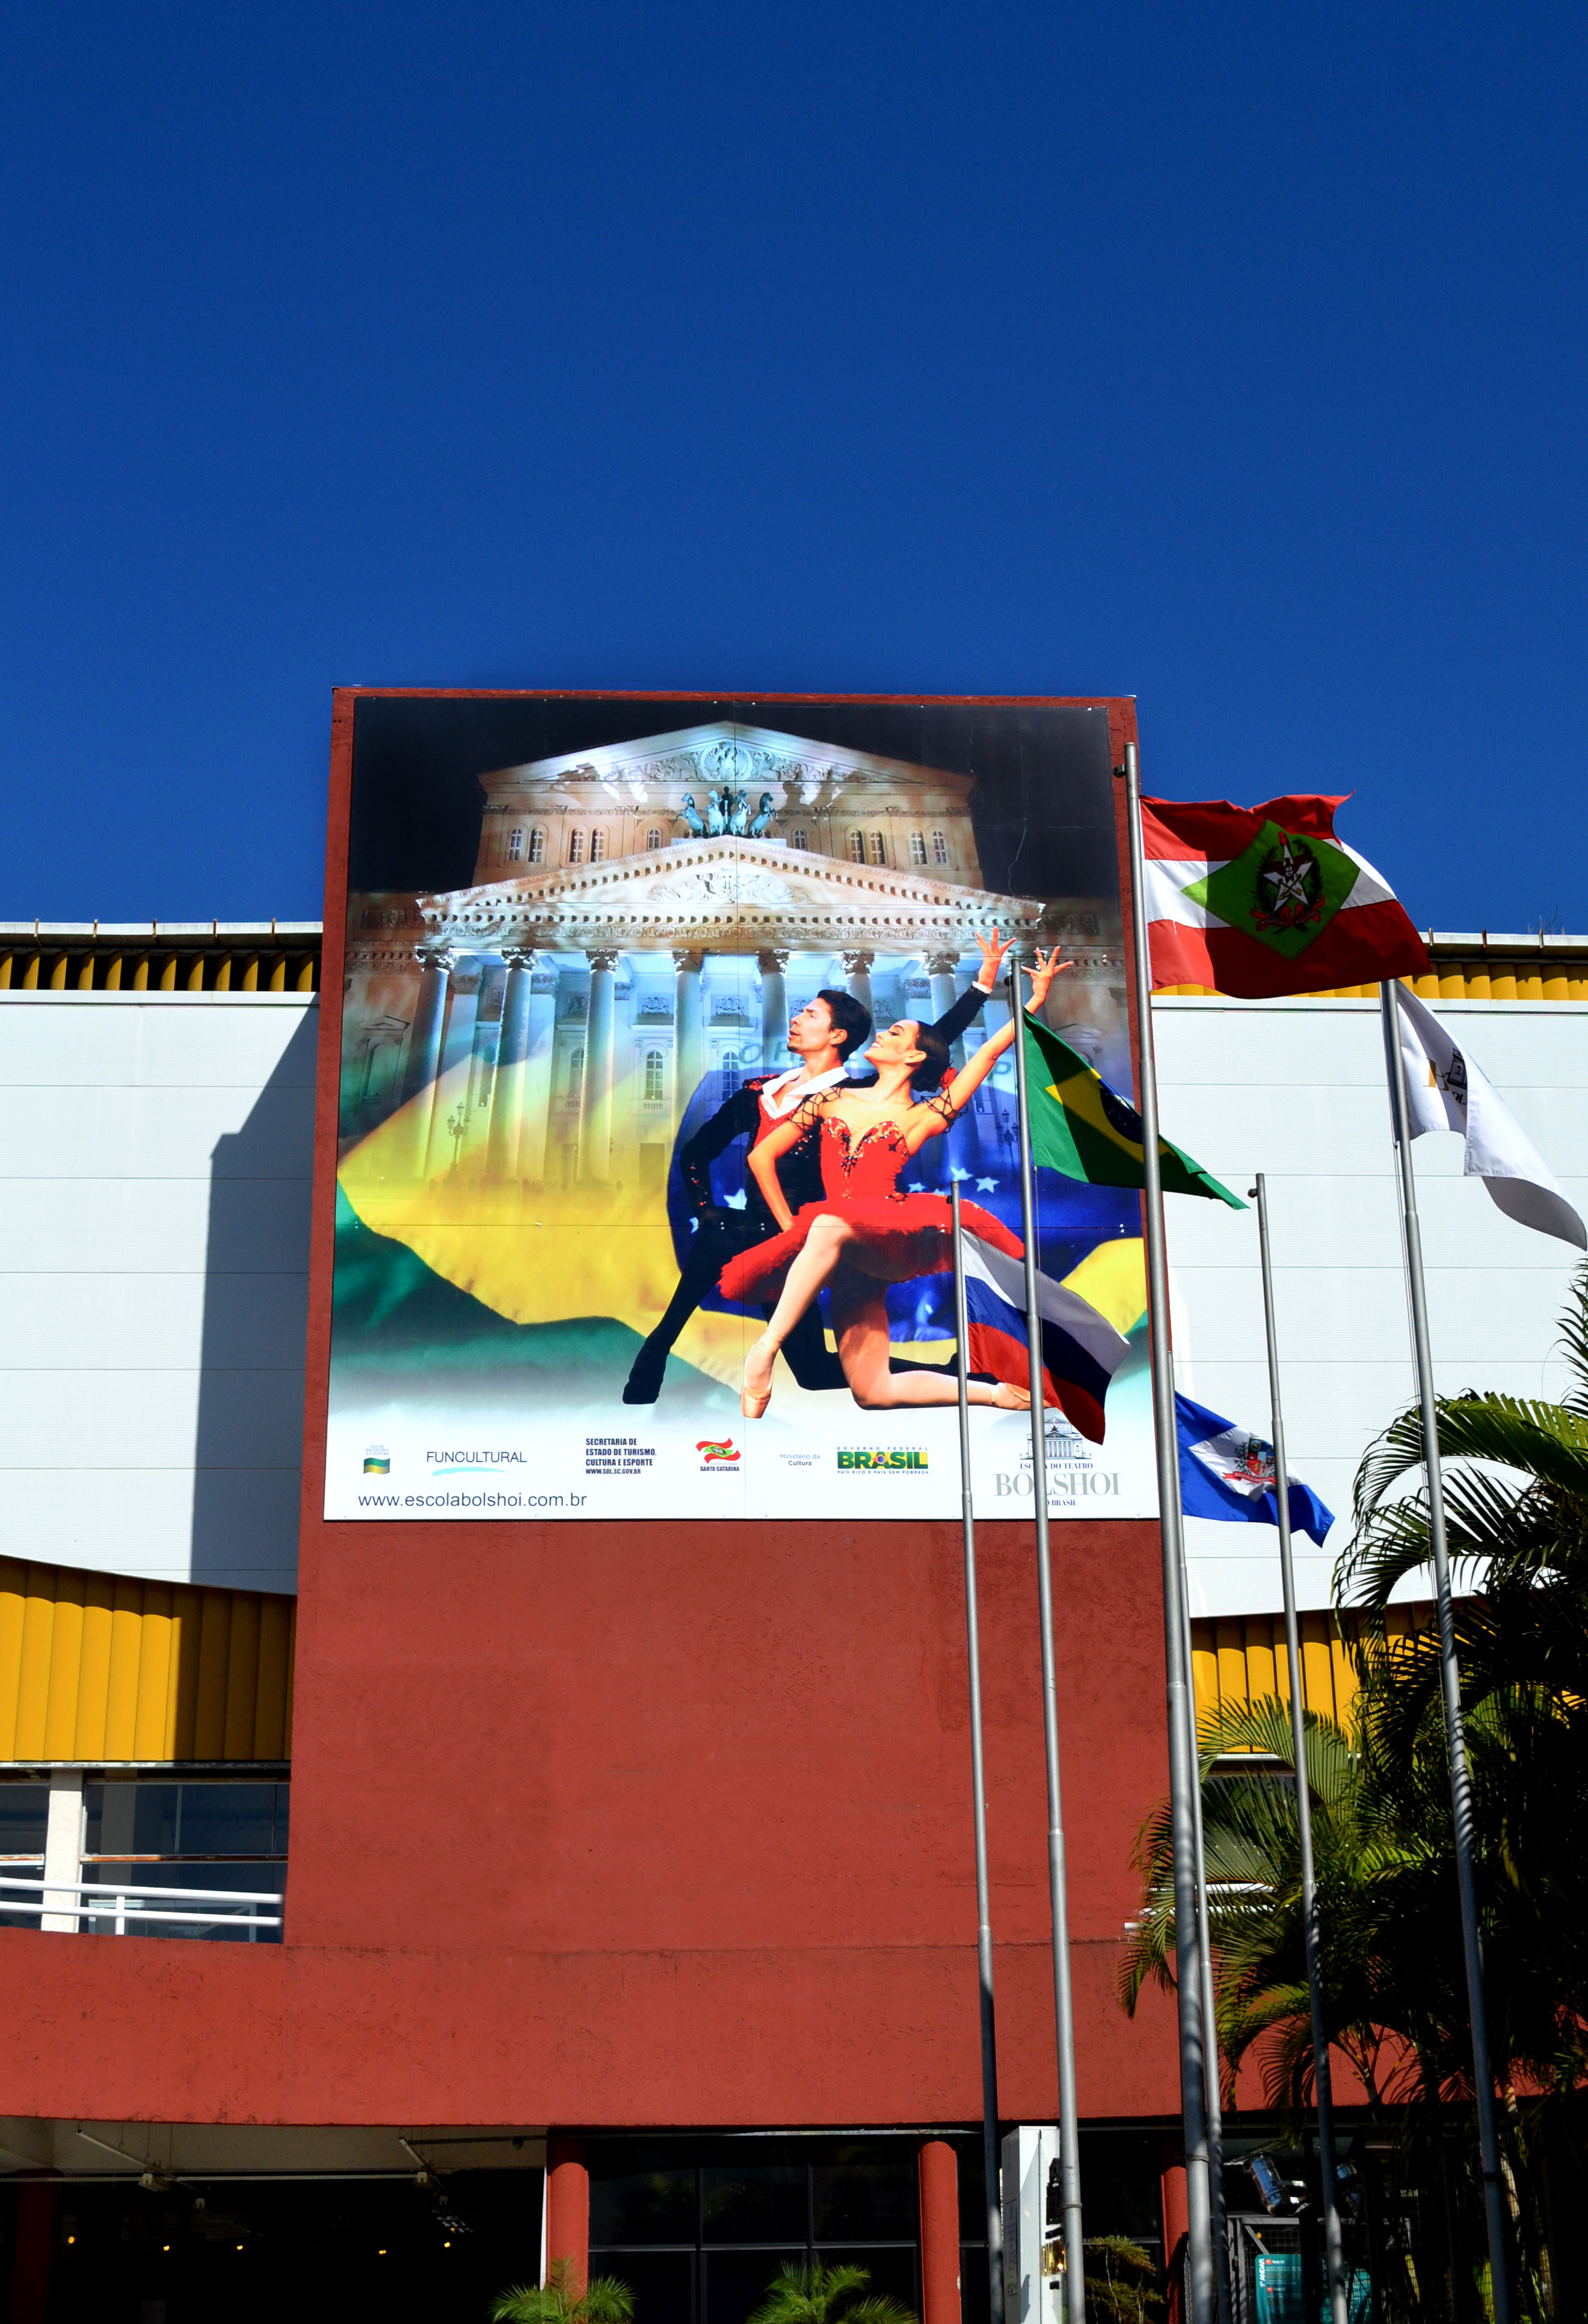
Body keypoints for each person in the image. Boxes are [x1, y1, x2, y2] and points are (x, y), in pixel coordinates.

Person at [621, 933, 1014, 1404]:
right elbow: (697, 1152)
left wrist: (981, 986)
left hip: (813, 1238)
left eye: (809, 1014)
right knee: (720, 1238)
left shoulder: (853, 1094)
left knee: (814, 1370)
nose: (795, 1018)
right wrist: (706, 1210)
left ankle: (968, 1380)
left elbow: (930, 1044)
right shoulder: (758, 1092)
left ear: (837, 1035)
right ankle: (652, 1360)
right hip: (753, 1227)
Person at [720, 949, 1069, 1417]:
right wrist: (789, 1229)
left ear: (914, 1056)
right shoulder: (830, 1099)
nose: (882, 1033)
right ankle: (1000, 1394)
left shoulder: (924, 1115)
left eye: (895, 1032)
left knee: (829, 1226)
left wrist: (1033, 1000)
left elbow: (986, 1052)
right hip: (837, 1243)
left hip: (886, 1230)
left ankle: (764, 1350)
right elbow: (763, 1155)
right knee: (872, 1391)